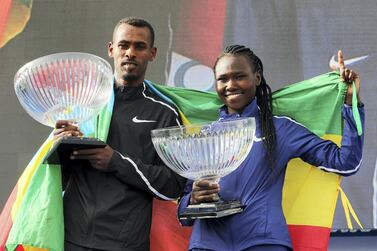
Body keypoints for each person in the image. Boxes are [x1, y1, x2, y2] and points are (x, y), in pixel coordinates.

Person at [178, 45, 364, 251]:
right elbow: (184, 213)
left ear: (257, 78)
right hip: (207, 244)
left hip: (263, 242)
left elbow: (345, 162)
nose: (230, 84)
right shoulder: (205, 136)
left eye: (239, 76)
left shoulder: (280, 129)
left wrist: (350, 102)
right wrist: (193, 199)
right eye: (223, 79)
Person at [54, 17, 186, 251]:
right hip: (72, 237)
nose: (130, 53)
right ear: (111, 49)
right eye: (124, 45)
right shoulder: (82, 102)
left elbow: (174, 185)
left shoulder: (164, 113)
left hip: (125, 243)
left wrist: (116, 161)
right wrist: (57, 146)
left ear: (152, 53)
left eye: (139, 46)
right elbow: (60, 177)